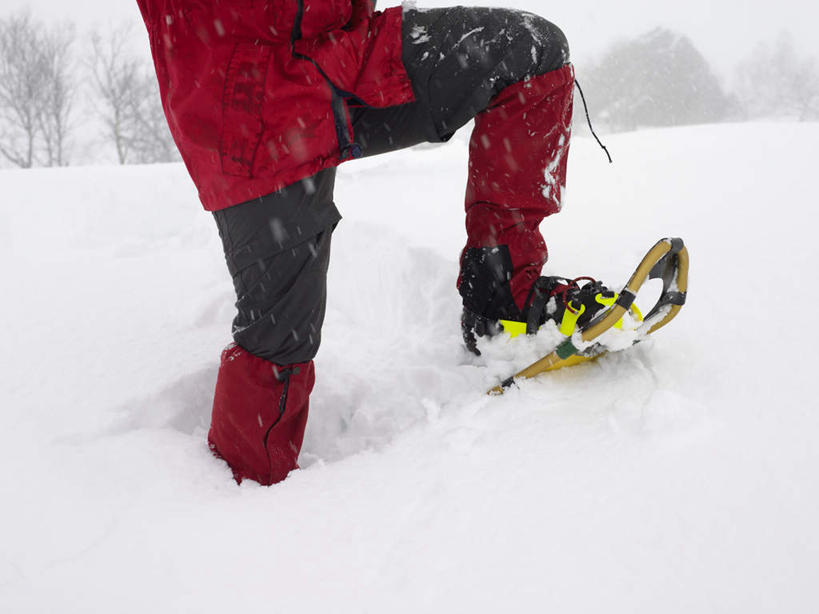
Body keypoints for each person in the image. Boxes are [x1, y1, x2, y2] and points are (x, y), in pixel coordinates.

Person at [136, 0, 614, 485]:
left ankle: (503, 301)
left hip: (343, 53)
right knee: (279, 338)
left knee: (529, 53)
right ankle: (238, 496)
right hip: (245, 101)